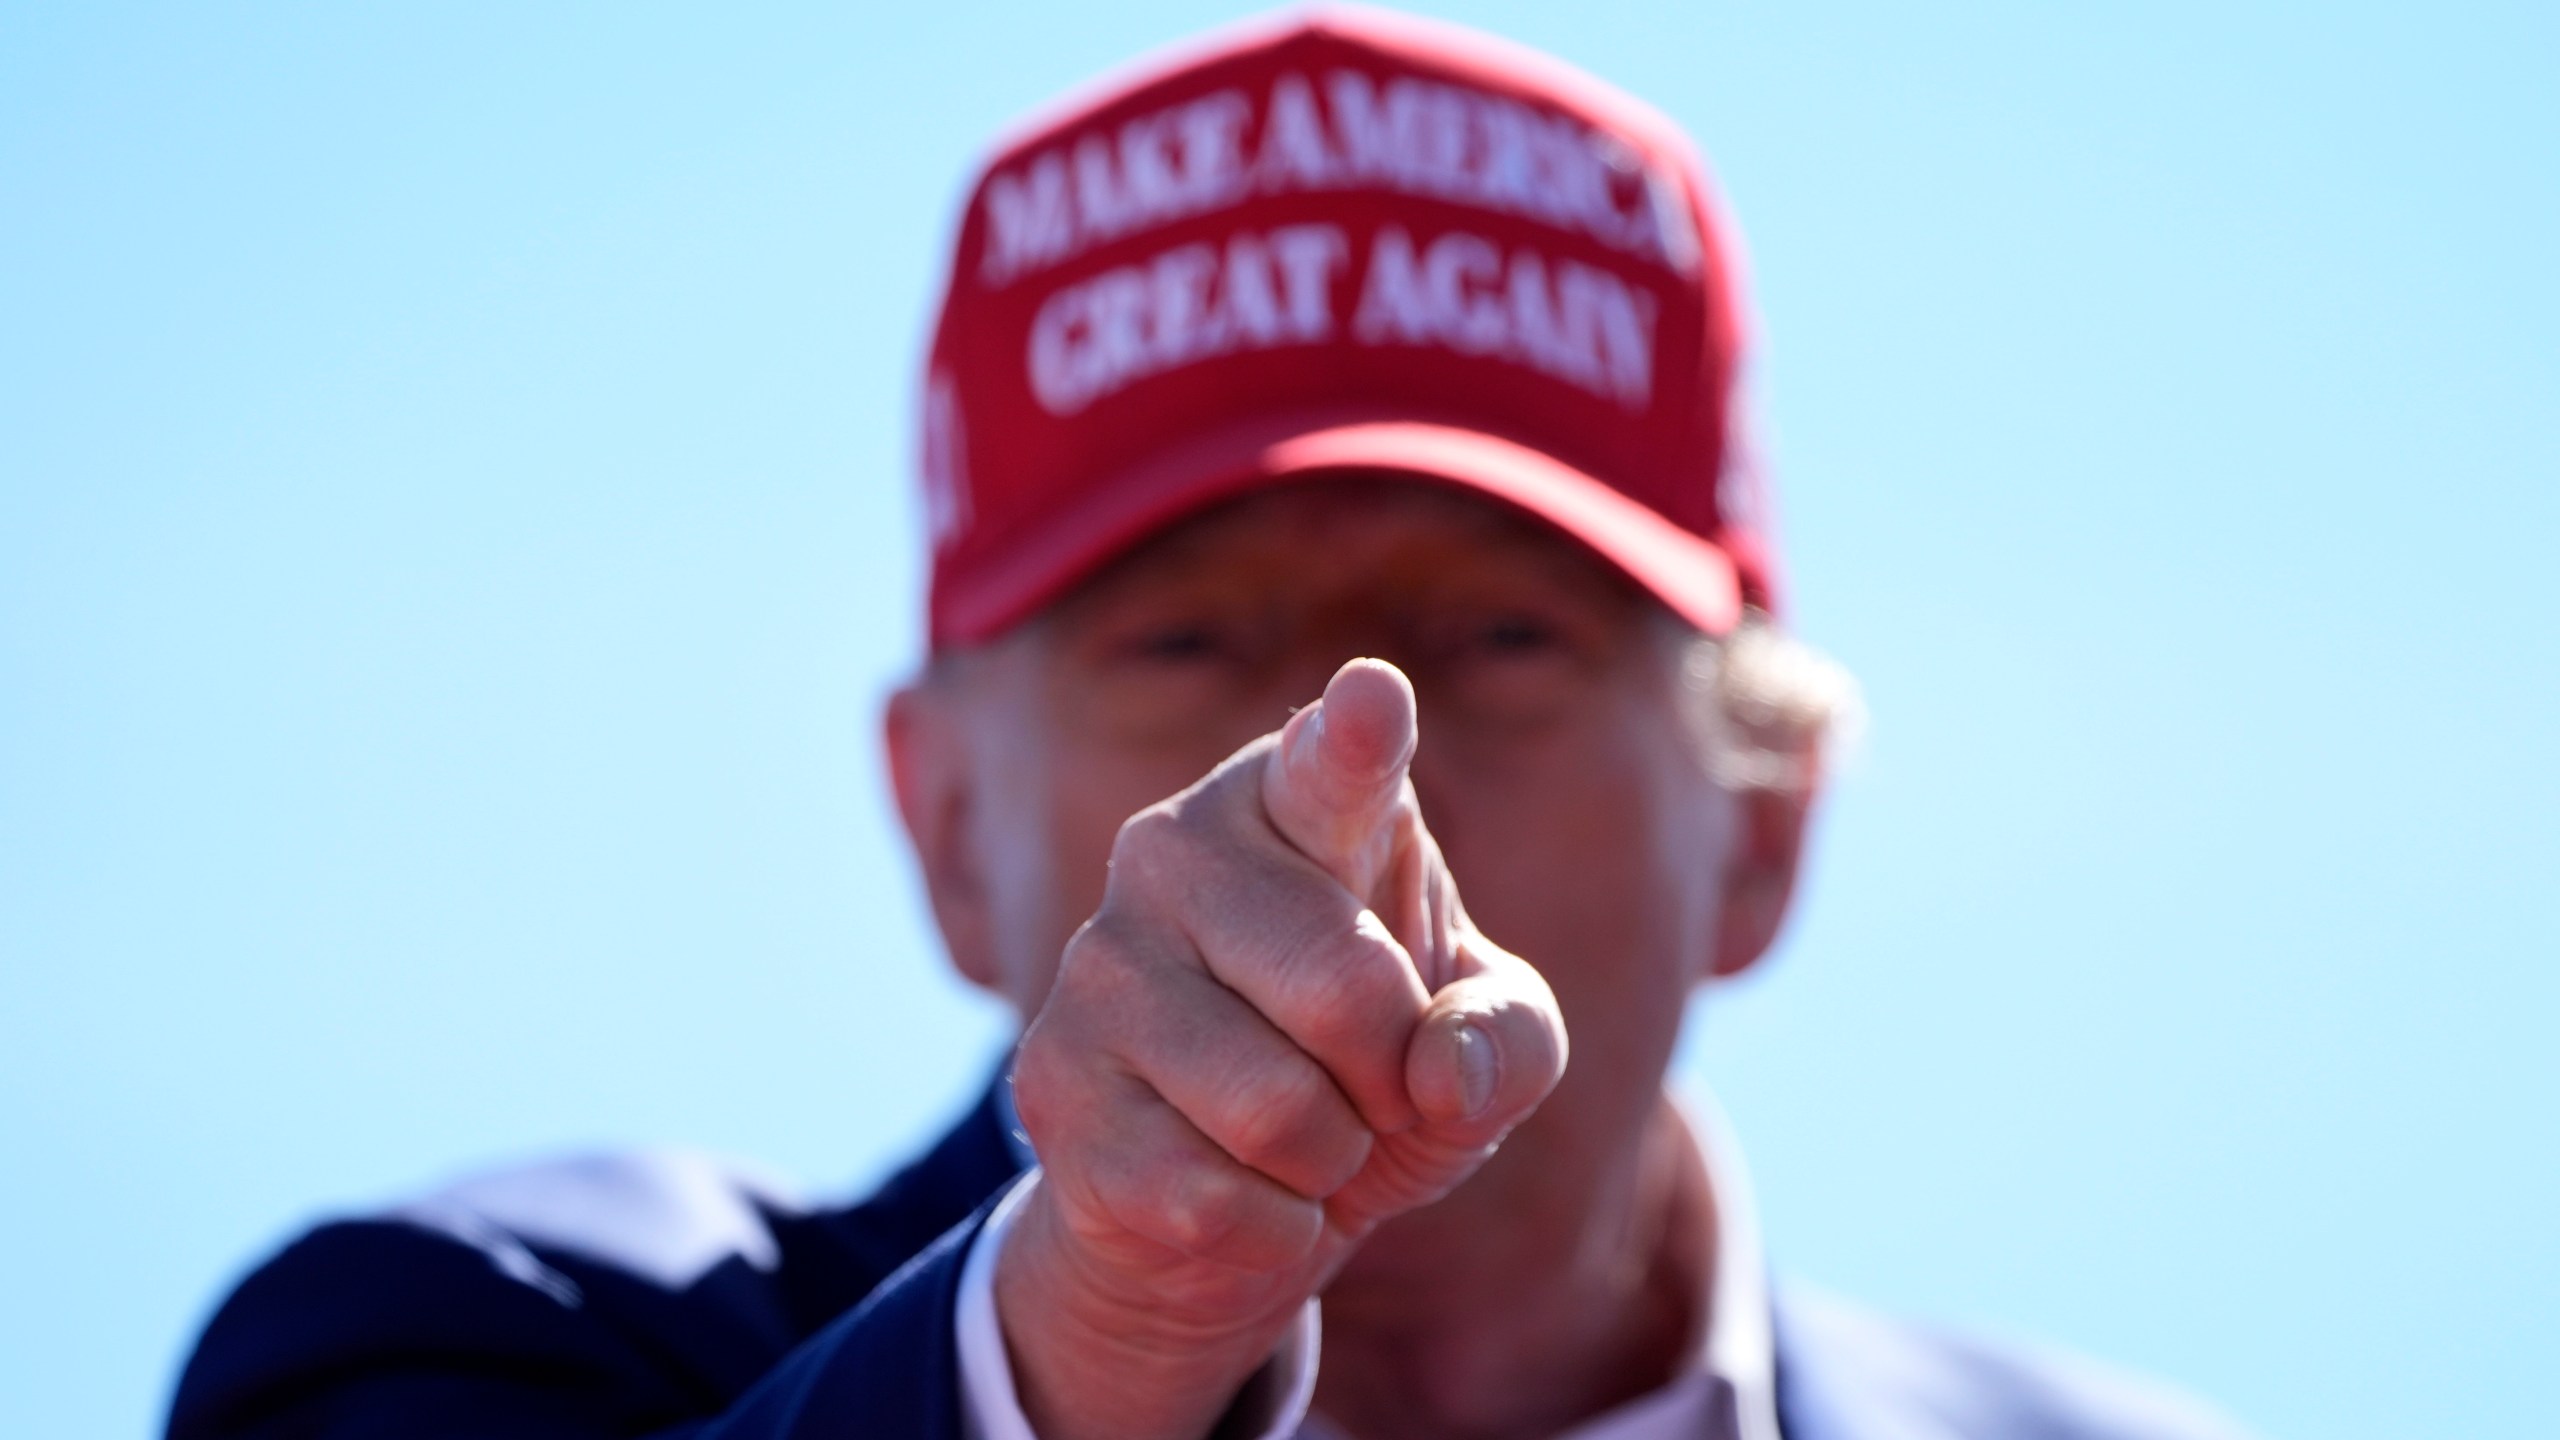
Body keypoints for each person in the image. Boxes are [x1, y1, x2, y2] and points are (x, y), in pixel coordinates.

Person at [168, 9, 2249, 1439]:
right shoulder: (487, 1350)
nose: (1342, 766)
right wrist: (1094, 1348)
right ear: (941, 817)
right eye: (1180, 643)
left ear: (1767, 816)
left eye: (1504, 636)